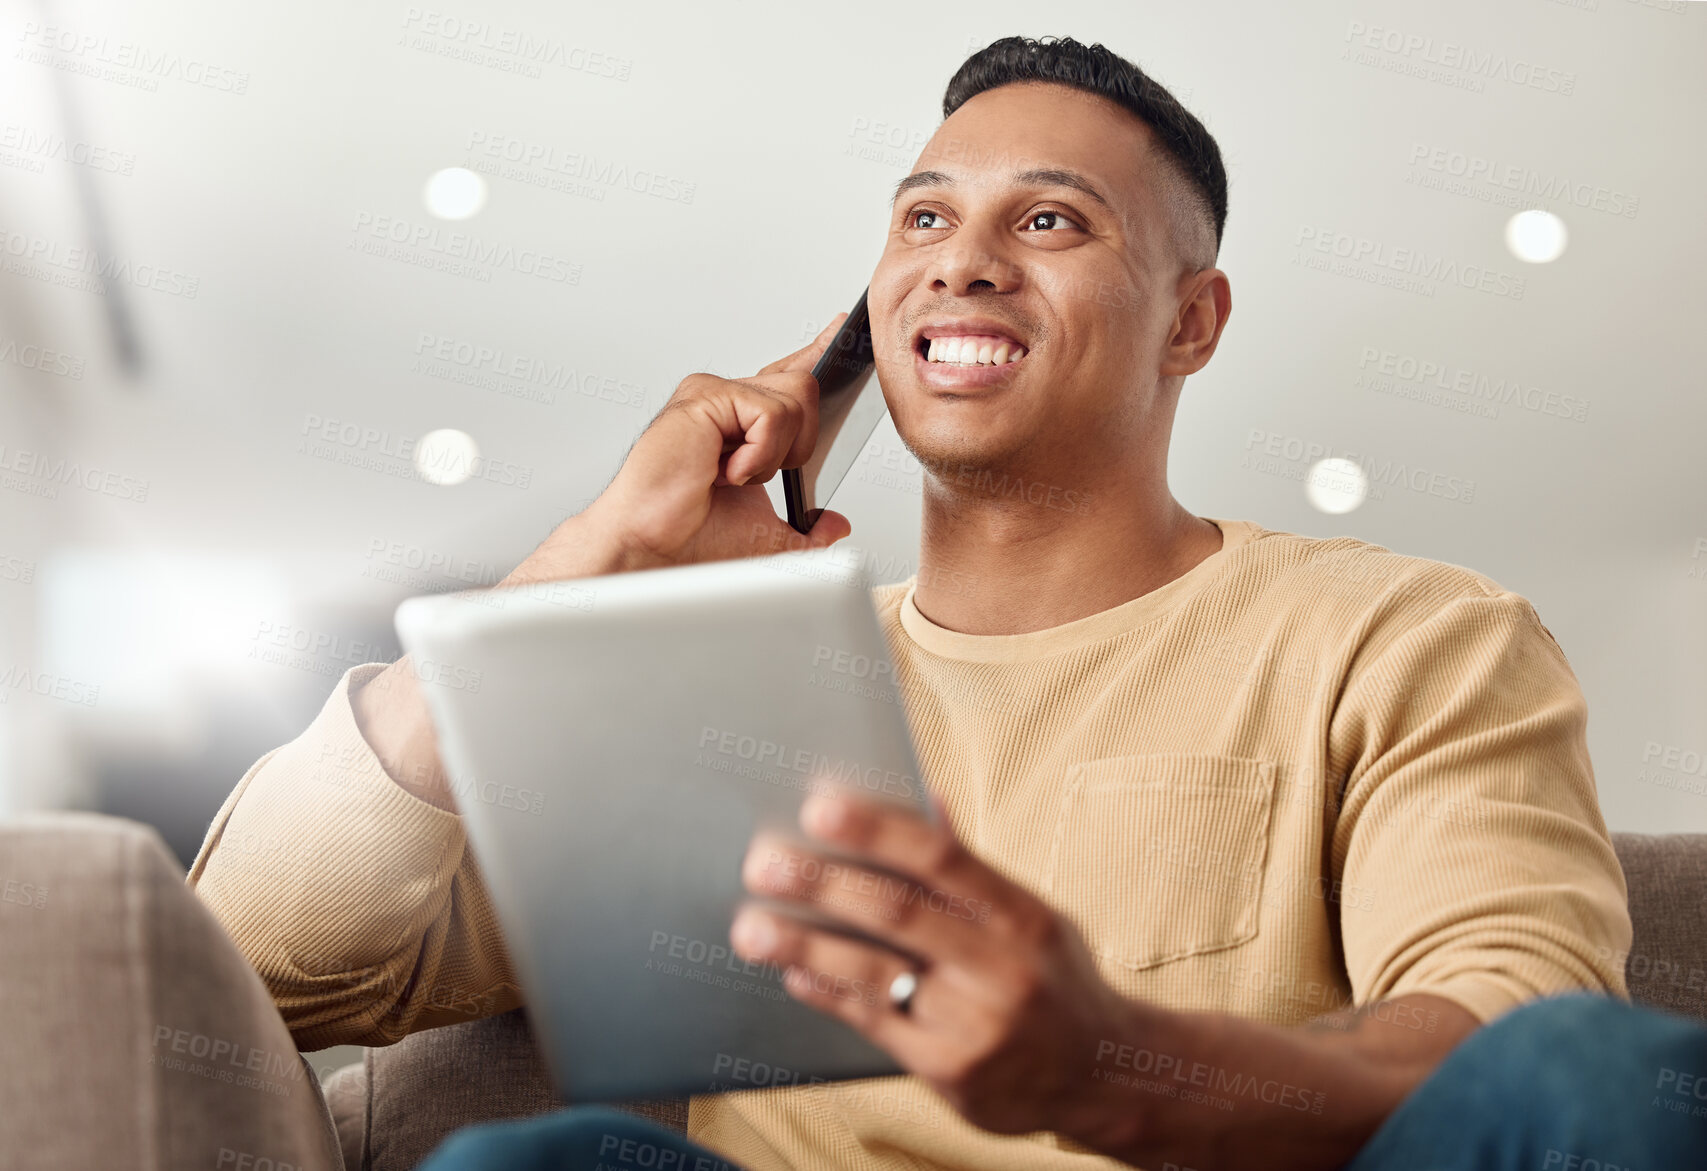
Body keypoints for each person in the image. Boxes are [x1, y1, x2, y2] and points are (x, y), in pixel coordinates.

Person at [189, 35, 1688, 1170]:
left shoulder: (1411, 634)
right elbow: (257, 962)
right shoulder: (720, 697)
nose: (961, 260)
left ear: (1193, 318)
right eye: (921, 222)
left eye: (1049, 223)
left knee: (1602, 1078)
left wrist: (1109, 1064)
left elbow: (1507, 1051)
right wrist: (596, 558)